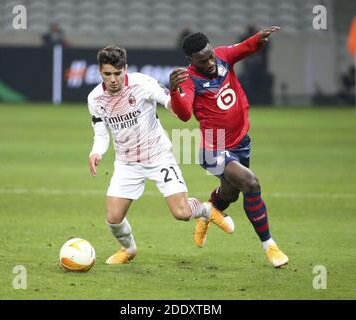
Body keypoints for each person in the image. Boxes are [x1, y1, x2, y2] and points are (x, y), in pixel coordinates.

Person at [87, 46, 234, 265]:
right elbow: (101, 134)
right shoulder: (95, 99)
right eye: (108, 74)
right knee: (114, 219)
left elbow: (171, 106)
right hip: (127, 163)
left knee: (182, 213)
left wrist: (174, 93)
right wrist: (96, 152)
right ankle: (128, 249)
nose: (113, 79)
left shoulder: (142, 84)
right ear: (100, 72)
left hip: (158, 157)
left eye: (118, 73)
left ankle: (206, 210)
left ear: (125, 69)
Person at [169, 27, 289, 267]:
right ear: (190, 61)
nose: (211, 62)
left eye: (210, 55)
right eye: (203, 60)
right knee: (250, 183)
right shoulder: (189, 79)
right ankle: (270, 246)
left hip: (241, 141)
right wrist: (174, 91)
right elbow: (183, 115)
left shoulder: (222, 56)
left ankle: (207, 213)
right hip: (214, 146)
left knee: (230, 194)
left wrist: (258, 40)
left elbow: (244, 48)